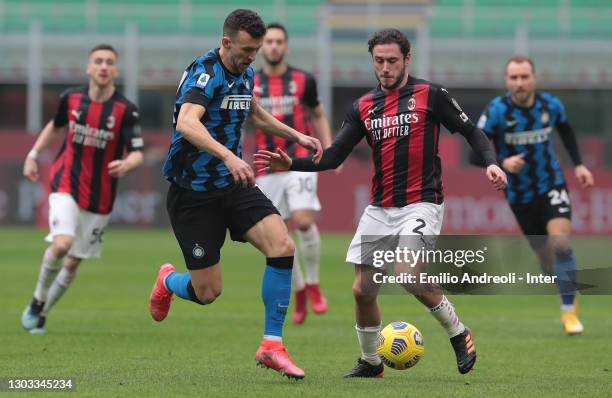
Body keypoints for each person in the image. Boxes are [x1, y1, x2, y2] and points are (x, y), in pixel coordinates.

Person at [255, 28, 507, 377]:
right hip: (380, 208)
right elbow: (332, 157)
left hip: (422, 203)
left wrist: (491, 161)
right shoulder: (363, 106)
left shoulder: (430, 95)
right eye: (379, 61)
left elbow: (472, 133)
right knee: (362, 289)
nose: (385, 67)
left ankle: (458, 332)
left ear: (407, 59)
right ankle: (371, 362)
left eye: (392, 60)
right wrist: (292, 164)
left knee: (408, 275)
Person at [148, 9, 322, 380]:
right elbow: (186, 122)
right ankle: (167, 281)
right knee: (208, 292)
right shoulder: (206, 74)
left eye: (256, 50)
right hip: (193, 194)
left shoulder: (243, 70)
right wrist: (228, 156)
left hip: (233, 185)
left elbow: (253, 111)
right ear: (226, 42)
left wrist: (296, 136)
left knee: (282, 245)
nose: (252, 57)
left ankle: (271, 346)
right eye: (246, 50)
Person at [20, 44, 144, 334]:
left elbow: (137, 151)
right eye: (98, 61)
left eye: (109, 62)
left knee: (74, 262)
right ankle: (38, 300)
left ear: (115, 70)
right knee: (62, 244)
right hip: (66, 182)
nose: (103, 66)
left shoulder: (126, 110)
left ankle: (42, 313)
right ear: (89, 68)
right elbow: (55, 125)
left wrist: (128, 165)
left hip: (100, 197)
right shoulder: (71, 98)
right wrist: (33, 154)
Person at [474, 55, 594, 335]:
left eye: (524, 77)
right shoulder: (496, 111)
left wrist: (579, 164)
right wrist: (502, 163)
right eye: (514, 78)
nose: (519, 83)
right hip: (519, 194)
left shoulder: (550, 105)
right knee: (547, 260)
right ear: (507, 81)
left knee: (561, 244)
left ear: (533, 78)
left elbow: (566, 130)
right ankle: (565, 284)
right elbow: (474, 151)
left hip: (551, 184)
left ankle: (569, 311)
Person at [254, 22, 334, 325]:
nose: (273, 46)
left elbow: (317, 114)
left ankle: (313, 283)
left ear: (286, 47)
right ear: (263, 46)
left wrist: (328, 150)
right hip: (267, 165)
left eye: (278, 41)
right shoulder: (250, 82)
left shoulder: (304, 80)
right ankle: (299, 290)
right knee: (277, 235)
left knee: (302, 221)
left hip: (299, 160)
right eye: (269, 41)